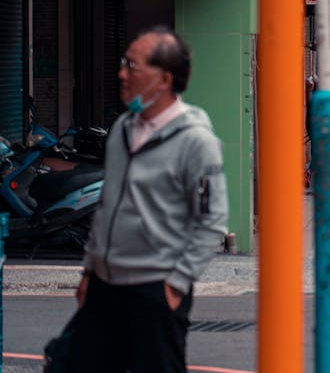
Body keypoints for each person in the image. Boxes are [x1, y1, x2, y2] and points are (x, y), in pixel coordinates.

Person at [66, 27, 228, 372]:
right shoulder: (122, 129)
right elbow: (107, 204)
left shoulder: (196, 141)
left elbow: (211, 221)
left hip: (155, 291)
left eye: (133, 66)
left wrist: (175, 286)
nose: (122, 73)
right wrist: (89, 271)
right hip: (103, 286)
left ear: (164, 78)